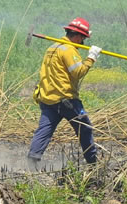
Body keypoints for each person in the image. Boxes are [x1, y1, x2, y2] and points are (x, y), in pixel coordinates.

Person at [28, 17, 102, 167]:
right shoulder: (68, 49)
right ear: (77, 36)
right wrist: (91, 58)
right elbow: (78, 72)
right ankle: (93, 162)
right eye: (83, 39)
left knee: (44, 131)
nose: (83, 43)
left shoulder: (53, 47)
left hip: (48, 99)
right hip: (66, 100)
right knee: (85, 128)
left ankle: (32, 161)